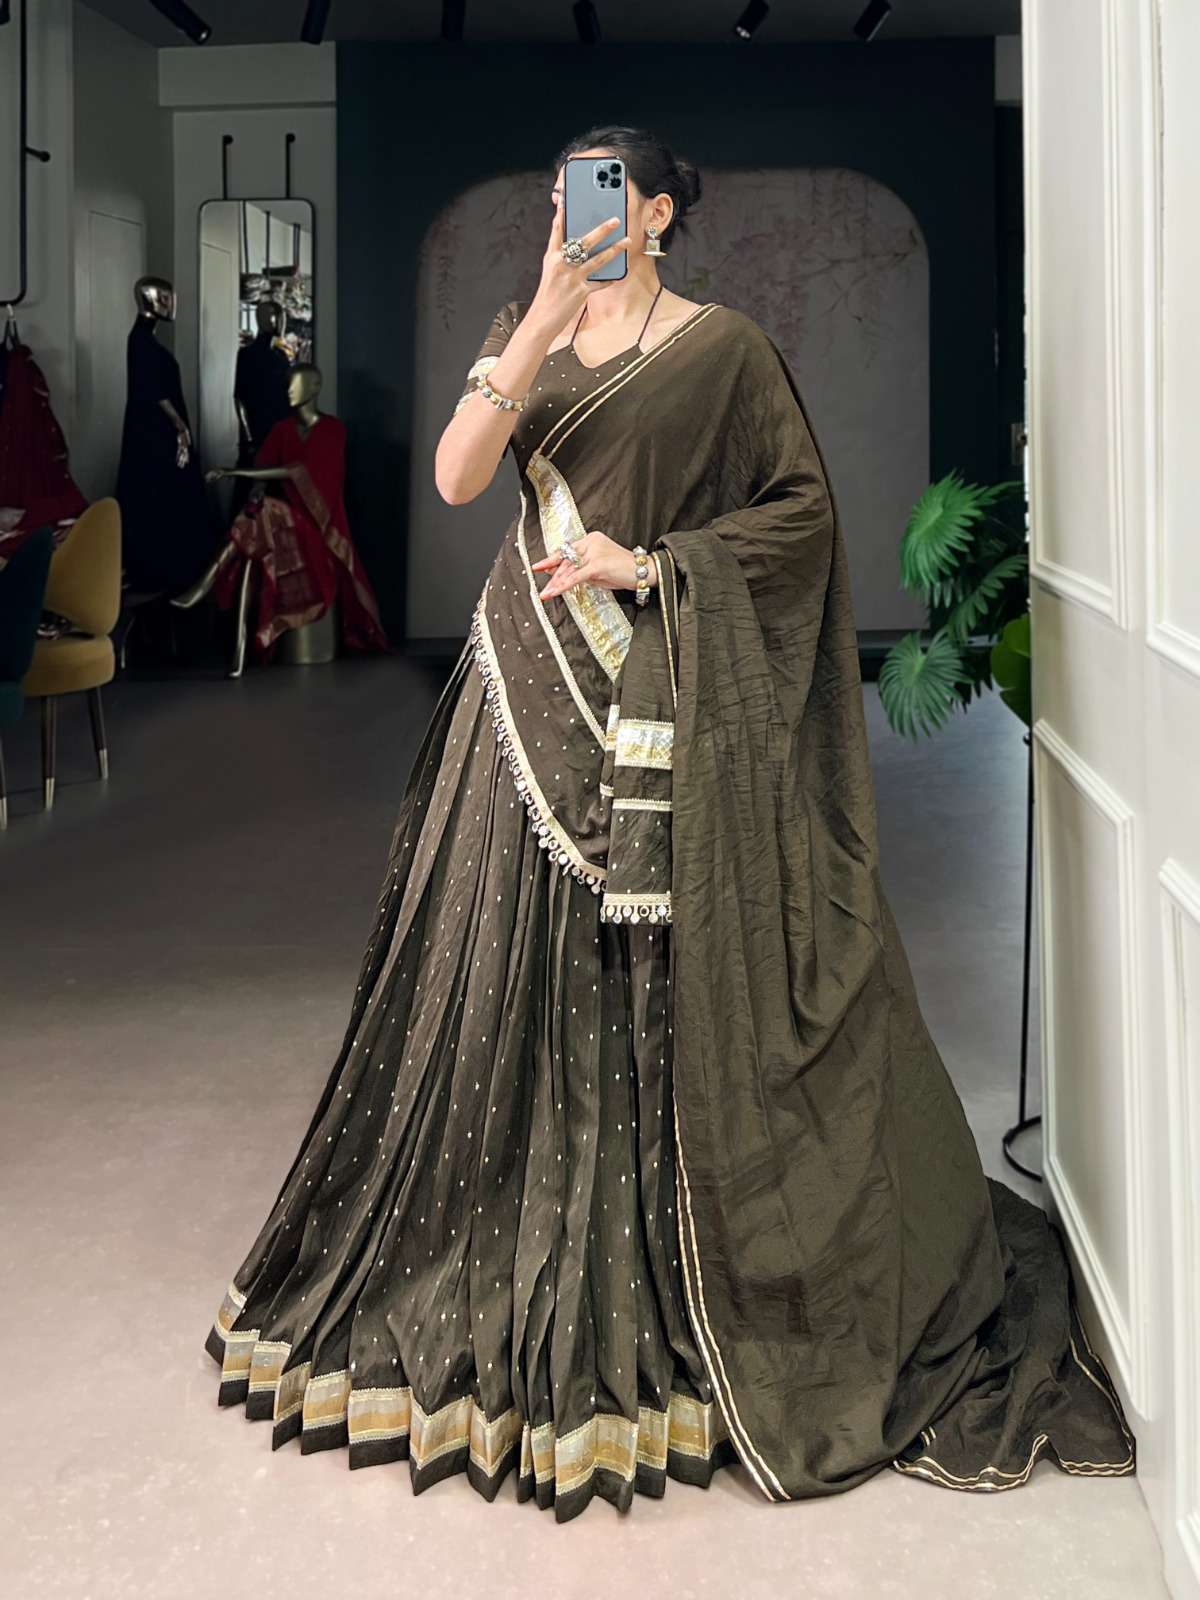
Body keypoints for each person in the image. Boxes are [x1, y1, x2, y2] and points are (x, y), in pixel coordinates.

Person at [202, 127, 1134, 1522]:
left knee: (644, 991)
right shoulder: (526, 330)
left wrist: (651, 565)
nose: (571, 212)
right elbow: (459, 477)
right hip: (523, 702)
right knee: (490, 996)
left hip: (652, 707)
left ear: (652, 212)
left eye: (597, 193)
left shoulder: (724, 351)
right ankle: (504, 1248)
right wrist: (534, 325)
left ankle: (663, 1274)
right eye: (555, 194)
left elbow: (800, 518)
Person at [174, 362, 387, 676]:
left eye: (295, 384)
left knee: (262, 520)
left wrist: (234, 472)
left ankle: (207, 583)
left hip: (319, 529)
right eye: (288, 384)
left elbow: (302, 472)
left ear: (314, 387)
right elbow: (265, 466)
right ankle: (239, 649)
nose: (288, 391)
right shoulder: (282, 429)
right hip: (286, 527)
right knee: (254, 537)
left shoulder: (333, 430)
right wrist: (256, 491)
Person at [115, 276, 213, 595]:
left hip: (155, 430)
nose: (172, 304)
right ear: (153, 299)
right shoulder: (141, 341)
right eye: (167, 298)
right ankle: (164, 570)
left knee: (162, 495)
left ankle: (170, 568)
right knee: (159, 493)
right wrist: (180, 428)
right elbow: (153, 391)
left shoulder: (145, 339)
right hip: (154, 433)